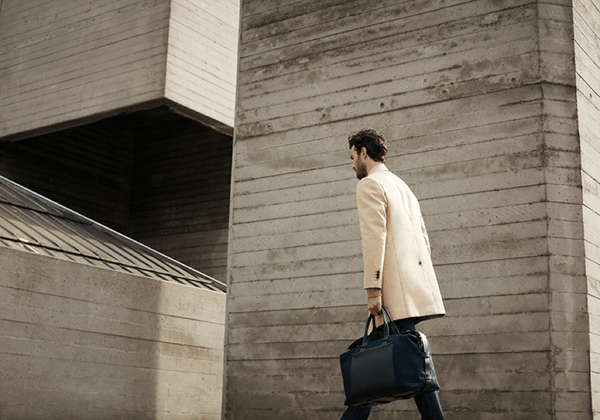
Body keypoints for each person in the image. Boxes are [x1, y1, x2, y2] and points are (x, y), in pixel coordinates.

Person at [342, 128, 446, 420]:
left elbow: (374, 238)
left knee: (371, 367)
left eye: (352, 157)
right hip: (411, 289)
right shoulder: (402, 186)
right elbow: (424, 240)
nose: (352, 165)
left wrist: (373, 289)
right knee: (406, 363)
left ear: (364, 152)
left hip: (391, 292)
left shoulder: (370, 185)